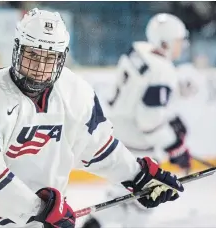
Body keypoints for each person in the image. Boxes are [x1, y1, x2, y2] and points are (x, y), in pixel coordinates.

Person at [0, 9, 184, 228]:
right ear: (17, 49)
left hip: (41, 221)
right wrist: (40, 209)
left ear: (61, 58)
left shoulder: (76, 93)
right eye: (32, 54)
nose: (40, 66)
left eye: (50, 58)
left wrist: (137, 175)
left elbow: (99, 147)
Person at [82, 13, 194, 228]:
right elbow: (149, 122)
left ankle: (95, 223)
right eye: (179, 41)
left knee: (125, 195)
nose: (182, 46)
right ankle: (97, 223)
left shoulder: (138, 51)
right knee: (145, 202)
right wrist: (175, 146)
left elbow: (142, 94)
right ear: (165, 42)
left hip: (117, 135)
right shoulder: (163, 69)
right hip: (139, 144)